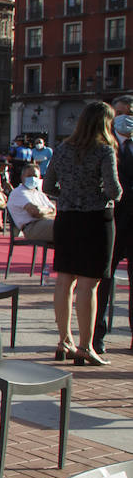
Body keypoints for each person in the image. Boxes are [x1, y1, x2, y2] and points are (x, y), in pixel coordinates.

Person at [44, 101, 121, 366]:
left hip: (67, 219)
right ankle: (86, 346)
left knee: (65, 281)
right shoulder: (104, 150)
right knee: (90, 284)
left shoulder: (63, 148)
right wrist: (99, 192)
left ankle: (64, 340)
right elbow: (113, 190)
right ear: (105, 123)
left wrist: (69, 195)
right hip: (96, 220)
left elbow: (48, 185)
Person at [95, 96, 133, 354]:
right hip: (110, 222)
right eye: (119, 113)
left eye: (129, 113)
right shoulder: (102, 146)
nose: (124, 118)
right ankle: (97, 334)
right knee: (103, 281)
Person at [7, 164, 56, 242]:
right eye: (29, 175)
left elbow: (54, 210)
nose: (33, 178)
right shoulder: (18, 192)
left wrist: (42, 211)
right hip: (32, 227)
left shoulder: (39, 194)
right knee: (64, 227)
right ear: (22, 177)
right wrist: (48, 210)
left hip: (45, 223)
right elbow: (34, 211)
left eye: (35, 176)